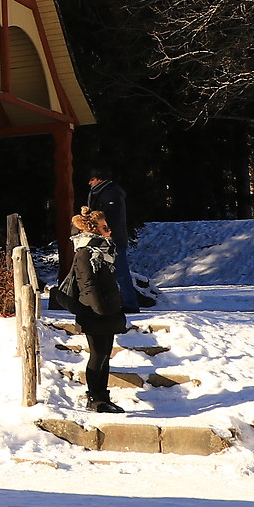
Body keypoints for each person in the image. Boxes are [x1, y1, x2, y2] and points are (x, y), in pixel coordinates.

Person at [61, 208, 129, 413]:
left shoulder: (104, 252)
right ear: (94, 230)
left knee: (105, 355)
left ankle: (103, 397)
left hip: (107, 310)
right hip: (93, 312)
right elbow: (87, 284)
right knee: (97, 355)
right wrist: (99, 309)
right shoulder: (85, 252)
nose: (109, 231)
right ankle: (94, 398)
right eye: (105, 227)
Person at [84, 167, 153, 309]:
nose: (89, 183)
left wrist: (104, 230)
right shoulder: (103, 192)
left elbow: (111, 217)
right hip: (105, 237)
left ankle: (130, 304)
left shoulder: (111, 193)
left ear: (99, 178)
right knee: (110, 273)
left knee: (120, 272)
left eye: (91, 179)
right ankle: (115, 301)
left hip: (112, 238)